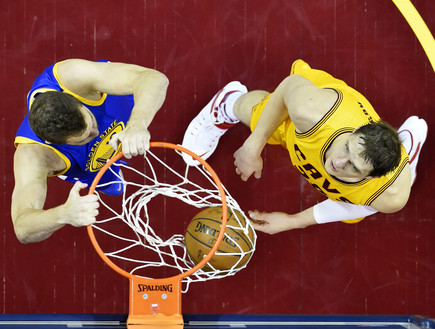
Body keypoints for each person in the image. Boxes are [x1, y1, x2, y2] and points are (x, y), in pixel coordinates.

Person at [181, 59, 427, 234]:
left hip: (379, 186)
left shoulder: (388, 197)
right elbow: (288, 87)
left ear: (372, 177)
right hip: (309, 121)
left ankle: (403, 153)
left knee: (360, 209)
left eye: (353, 166)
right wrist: (252, 146)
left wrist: (291, 221)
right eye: (347, 149)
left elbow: (352, 206)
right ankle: (227, 102)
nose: (338, 163)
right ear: (353, 132)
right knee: (256, 116)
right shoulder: (312, 111)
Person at [12, 59, 169, 243]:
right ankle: (108, 181)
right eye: (85, 138)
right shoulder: (33, 156)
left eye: (91, 124)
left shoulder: (72, 76)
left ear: (73, 98)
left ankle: (127, 124)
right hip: (86, 163)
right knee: (111, 185)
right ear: (51, 142)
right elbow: (22, 228)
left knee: (145, 94)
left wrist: (137, 123)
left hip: (114, 108)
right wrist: (63, 214)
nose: (96, 134)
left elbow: (155, 78)